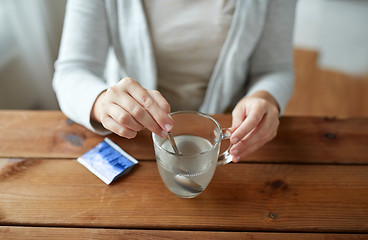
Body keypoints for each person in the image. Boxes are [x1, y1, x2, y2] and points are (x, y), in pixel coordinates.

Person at [53, 0, 296, 162]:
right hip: (133, 137)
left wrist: (265, 97)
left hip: (227, 130)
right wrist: (101, 102)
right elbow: (72, 70)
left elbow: (275, 69)